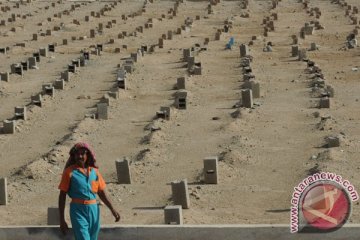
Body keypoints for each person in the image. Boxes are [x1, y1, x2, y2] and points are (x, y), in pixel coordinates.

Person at [58, 142, 120, 240]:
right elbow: (62, 196)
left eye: (82, 153)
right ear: (73, 156)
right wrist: (61, 219)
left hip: (94, 210)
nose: (80, 156)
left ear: (87, 155)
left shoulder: (95, 172)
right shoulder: (69, 172)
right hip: (77, 211)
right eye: (77, 154)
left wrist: (112, 209)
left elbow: (102, 193)